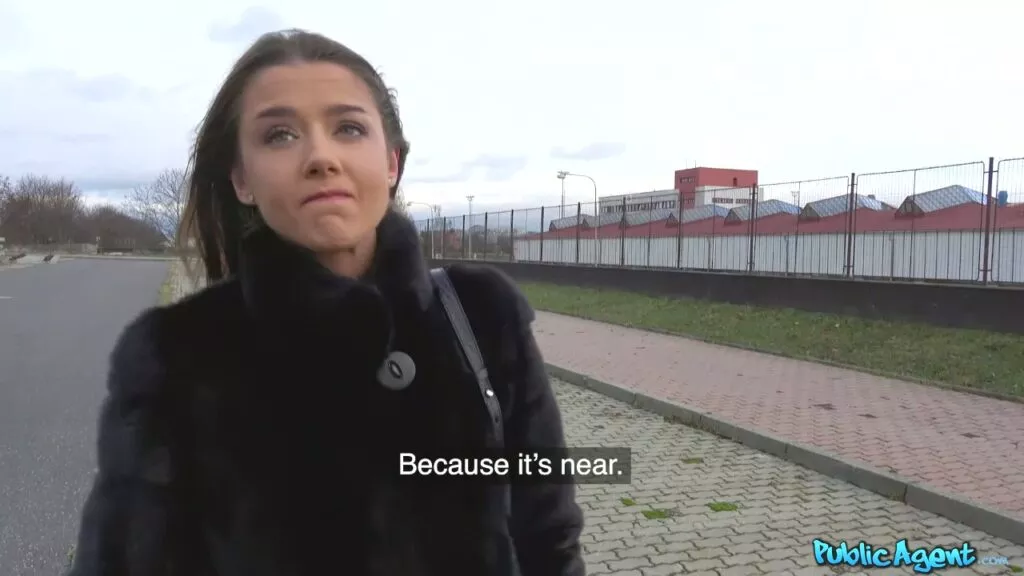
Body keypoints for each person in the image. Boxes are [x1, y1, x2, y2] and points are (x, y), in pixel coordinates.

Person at [68, 28, 585, 576]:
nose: (320, 157)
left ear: (391, 163)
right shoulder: (174, 355)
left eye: (349, 128)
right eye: (280, 135)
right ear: (242, 180)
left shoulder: (482, 315)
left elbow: (549, 534)